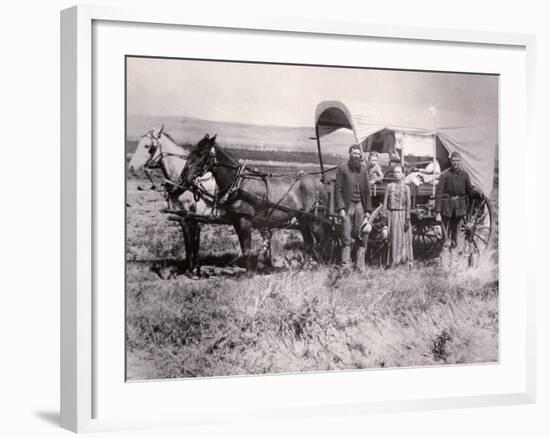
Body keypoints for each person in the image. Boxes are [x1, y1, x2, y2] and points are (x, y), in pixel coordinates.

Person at [334, 144, 372, 271]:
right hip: (348, 206)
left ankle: (360, 265)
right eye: (354, 153)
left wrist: (367, 211)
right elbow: (338, 190)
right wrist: (341, 208)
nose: (356, 155)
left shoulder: (363, 170)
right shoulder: (343, 169)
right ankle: (345, 265)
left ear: (360, 156)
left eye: (358, 154)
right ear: (349, 153)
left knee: (361, 236)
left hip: (360, 205)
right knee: (346, 236)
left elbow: (367, 191)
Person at [435, 151, 475, 249]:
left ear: (460, 161)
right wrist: (438, 212)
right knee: (444, 234)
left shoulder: (465, 175)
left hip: (459, 208)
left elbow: (469, 190)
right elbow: (438, 194)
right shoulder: (444, 175)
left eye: (457, 161)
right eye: (453, 161)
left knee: (456, 233)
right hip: (447, 208)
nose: (455, 163)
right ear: (450, 161)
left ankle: (454, 256)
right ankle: (443, 256)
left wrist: (477, 194)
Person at [383, 165, 414, 268]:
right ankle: (392, 261)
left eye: (399, 172)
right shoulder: (389, 186)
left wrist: (407, 218)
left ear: (403, 174)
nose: (396, 174)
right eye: (395, 172)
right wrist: (385, 216)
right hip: (392, 215)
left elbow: (408, 204)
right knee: (393, 238)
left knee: (404, 238)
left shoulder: (406, 188)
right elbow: (385, 202)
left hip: (403, 214)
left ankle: (404, 261)